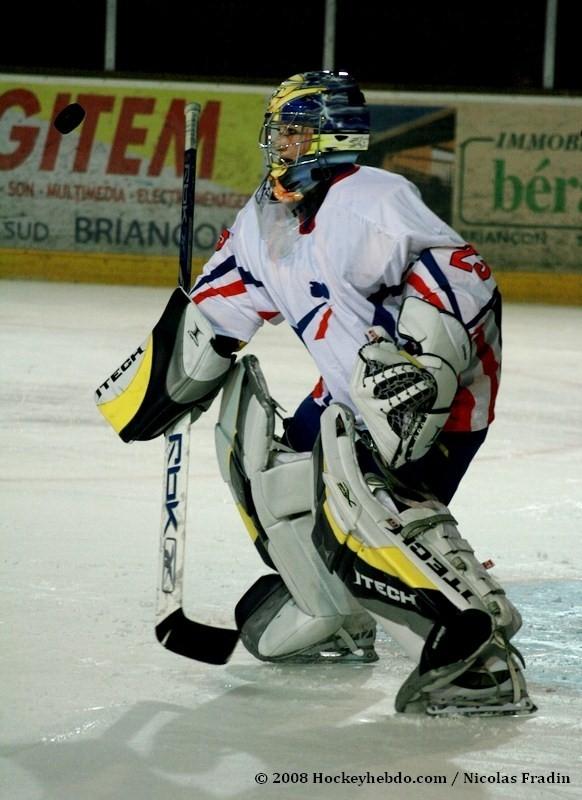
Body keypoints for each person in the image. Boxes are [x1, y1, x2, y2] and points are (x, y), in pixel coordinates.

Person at [96, 71, 535, 716]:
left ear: (335, 136)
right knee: (269, 471)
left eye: (296, 131)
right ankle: (335, 612)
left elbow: (463, 274)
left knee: (353, 499)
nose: (281, 144)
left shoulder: (370, 200)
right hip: (346, 394)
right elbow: (220, 306)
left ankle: (475, 653)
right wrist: (161, 381)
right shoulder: (264, 220)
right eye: (279, 131)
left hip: (437, 401)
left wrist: (426, 369)